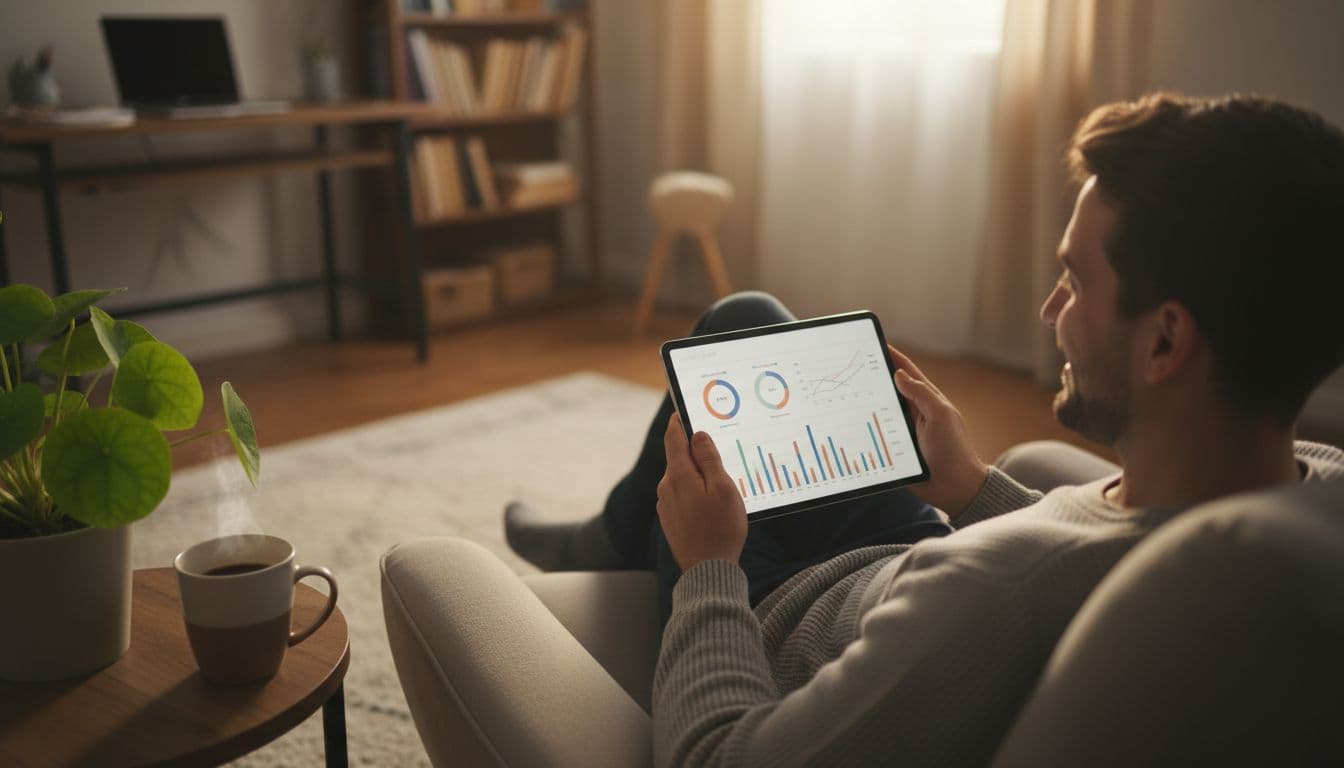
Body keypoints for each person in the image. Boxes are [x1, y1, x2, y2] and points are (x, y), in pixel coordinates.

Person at [505, 92, 1344, 766]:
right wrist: (978, 489)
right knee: (755, 322)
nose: (1051, 311)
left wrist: (709, 566)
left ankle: (614, 538)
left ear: (1164, 340)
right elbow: (1104, 550)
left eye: (1075, 283)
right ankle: (609, 532)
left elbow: (719, 752)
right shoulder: (1315, 478)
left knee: (726, 342)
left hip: (775, 611)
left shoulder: (998, 593)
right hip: (908, 556)